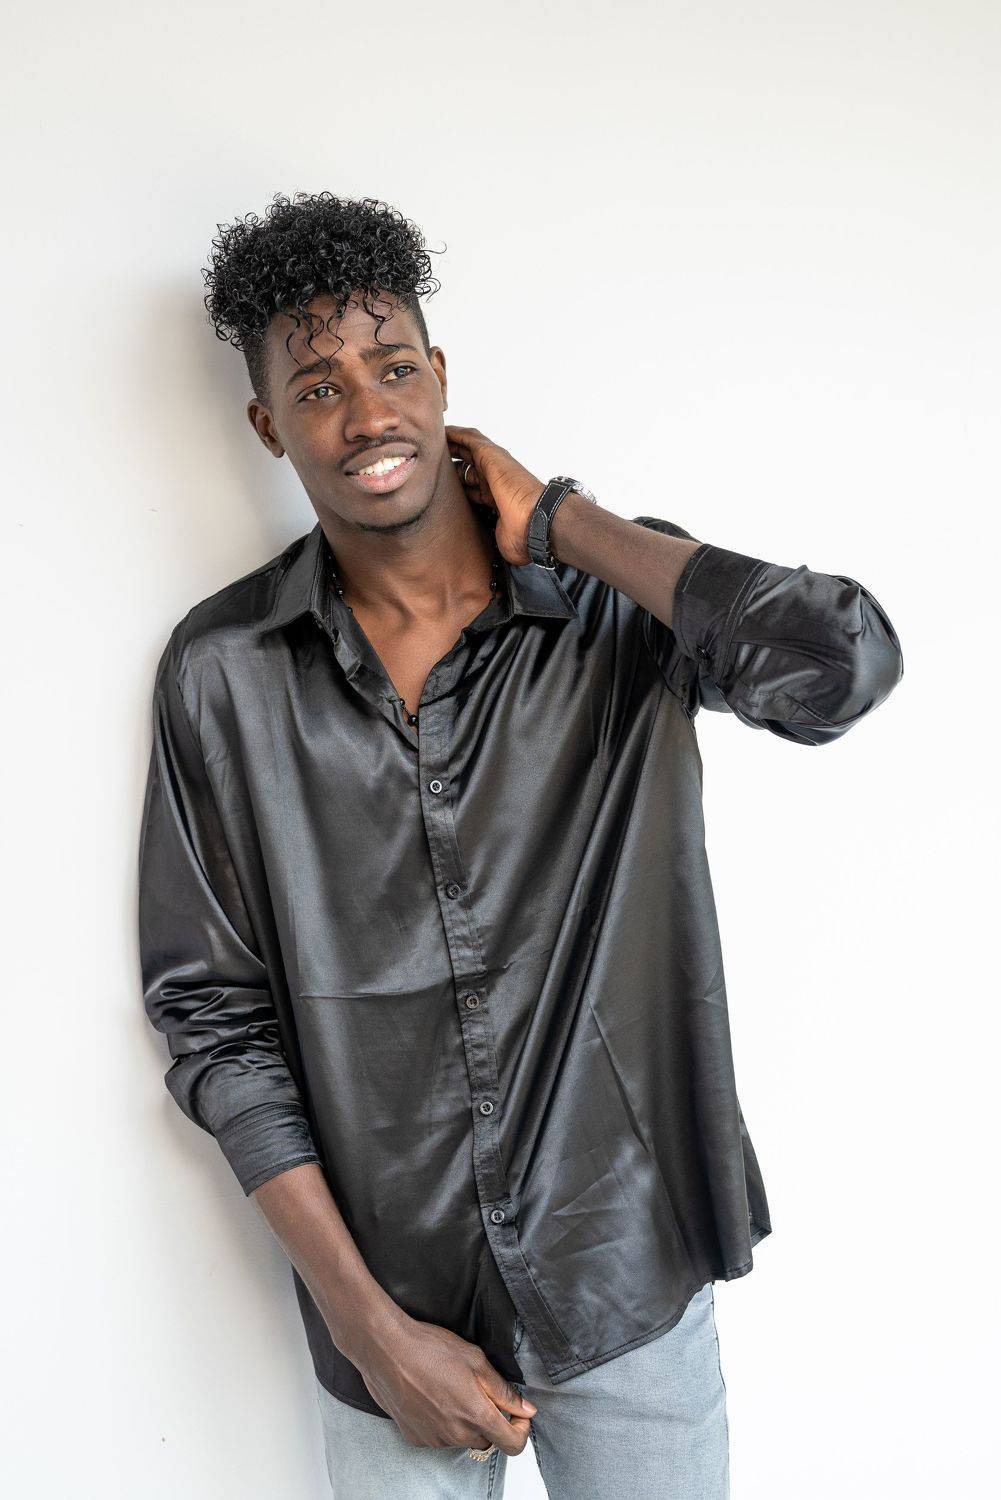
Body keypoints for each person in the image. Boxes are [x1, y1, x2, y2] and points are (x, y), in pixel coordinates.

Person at [137, 191, 904, 1499]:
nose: (366, 414)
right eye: (317, 388)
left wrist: (565, 525)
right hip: (392, 1322)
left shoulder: (618, 605)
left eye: (392, 368)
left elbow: (843, 664)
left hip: (626, 1275)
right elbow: (214, 1022)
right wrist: (368, 1331)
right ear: (269, 425)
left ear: (441, 378)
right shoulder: (225, 672)